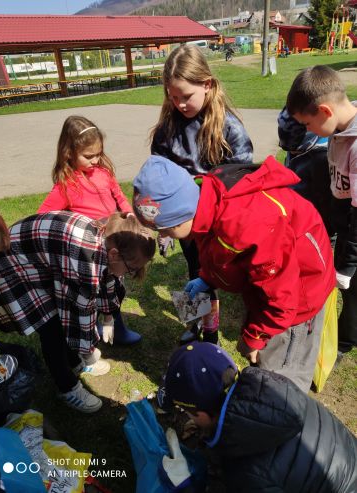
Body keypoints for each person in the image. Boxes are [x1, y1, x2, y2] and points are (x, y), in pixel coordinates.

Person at [133, 155, 335, 393]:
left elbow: (281, 299)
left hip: (298, 299)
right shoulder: (204, 200)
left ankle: (280, 414)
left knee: (281, 374)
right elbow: (218, 251)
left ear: (179, 217)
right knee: (263, 360)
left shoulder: (248, 225)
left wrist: (255, 337)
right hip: (270, 286)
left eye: (164, 229)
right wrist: (207, 276)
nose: (165, 235)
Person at [0, 211, 155, 413]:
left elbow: (110, 281)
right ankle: (67, 387)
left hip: (38, 260)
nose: (131, 273)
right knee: (52, 328)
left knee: (60, 319)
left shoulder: (110, 244)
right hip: (11, 264)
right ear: (114, 255)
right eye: (131, 269)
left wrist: (109, 317)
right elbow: (79, 312)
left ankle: (74, 361)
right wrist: (88, 346)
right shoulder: (85, 259)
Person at [150, 44, 253, 345]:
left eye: (186, 96)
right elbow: (160, 179)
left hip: (217, 223)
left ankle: (211, 335)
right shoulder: (166, 130)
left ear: (206, 85)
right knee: (194, 270)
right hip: (184, 224)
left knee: (211, 275)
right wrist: (164, 226)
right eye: (173, 96)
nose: (179, 103)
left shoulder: (229, 128)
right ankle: (195, 324)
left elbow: (242, 181)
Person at [158, 342, 357, 493]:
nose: (186, 416)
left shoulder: (245, 471)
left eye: (186, 411)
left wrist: (187, 486)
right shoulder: (273, 387)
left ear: (201, 414)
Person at [38, 115, 141, 345]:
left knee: (115, 289)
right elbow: (43, 216)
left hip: (114, 243)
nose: (95, 160)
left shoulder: (104, 173)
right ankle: (91, 334)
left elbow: (118, 195)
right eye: (89, 156)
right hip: (90, 252)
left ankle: (117, 327)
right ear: (68, 153)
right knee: (92, 294)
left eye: (99, 154)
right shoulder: (66, 185)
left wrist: (128, 212)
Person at [286, 65, 357, 357]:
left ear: (325, 111)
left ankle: (344, 343)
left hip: (356, 233)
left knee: (353, 293)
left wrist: (350, 263)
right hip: (346, 226)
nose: (307, 131)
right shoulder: (337, 132)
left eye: (307, 124)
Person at [277, 107, 334, 236]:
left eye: (295, 150)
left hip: (314, 226)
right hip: (295, 217)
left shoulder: (321, 160)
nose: (291, 153)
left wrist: (325, 232)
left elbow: (326, 204)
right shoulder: (296, 148)